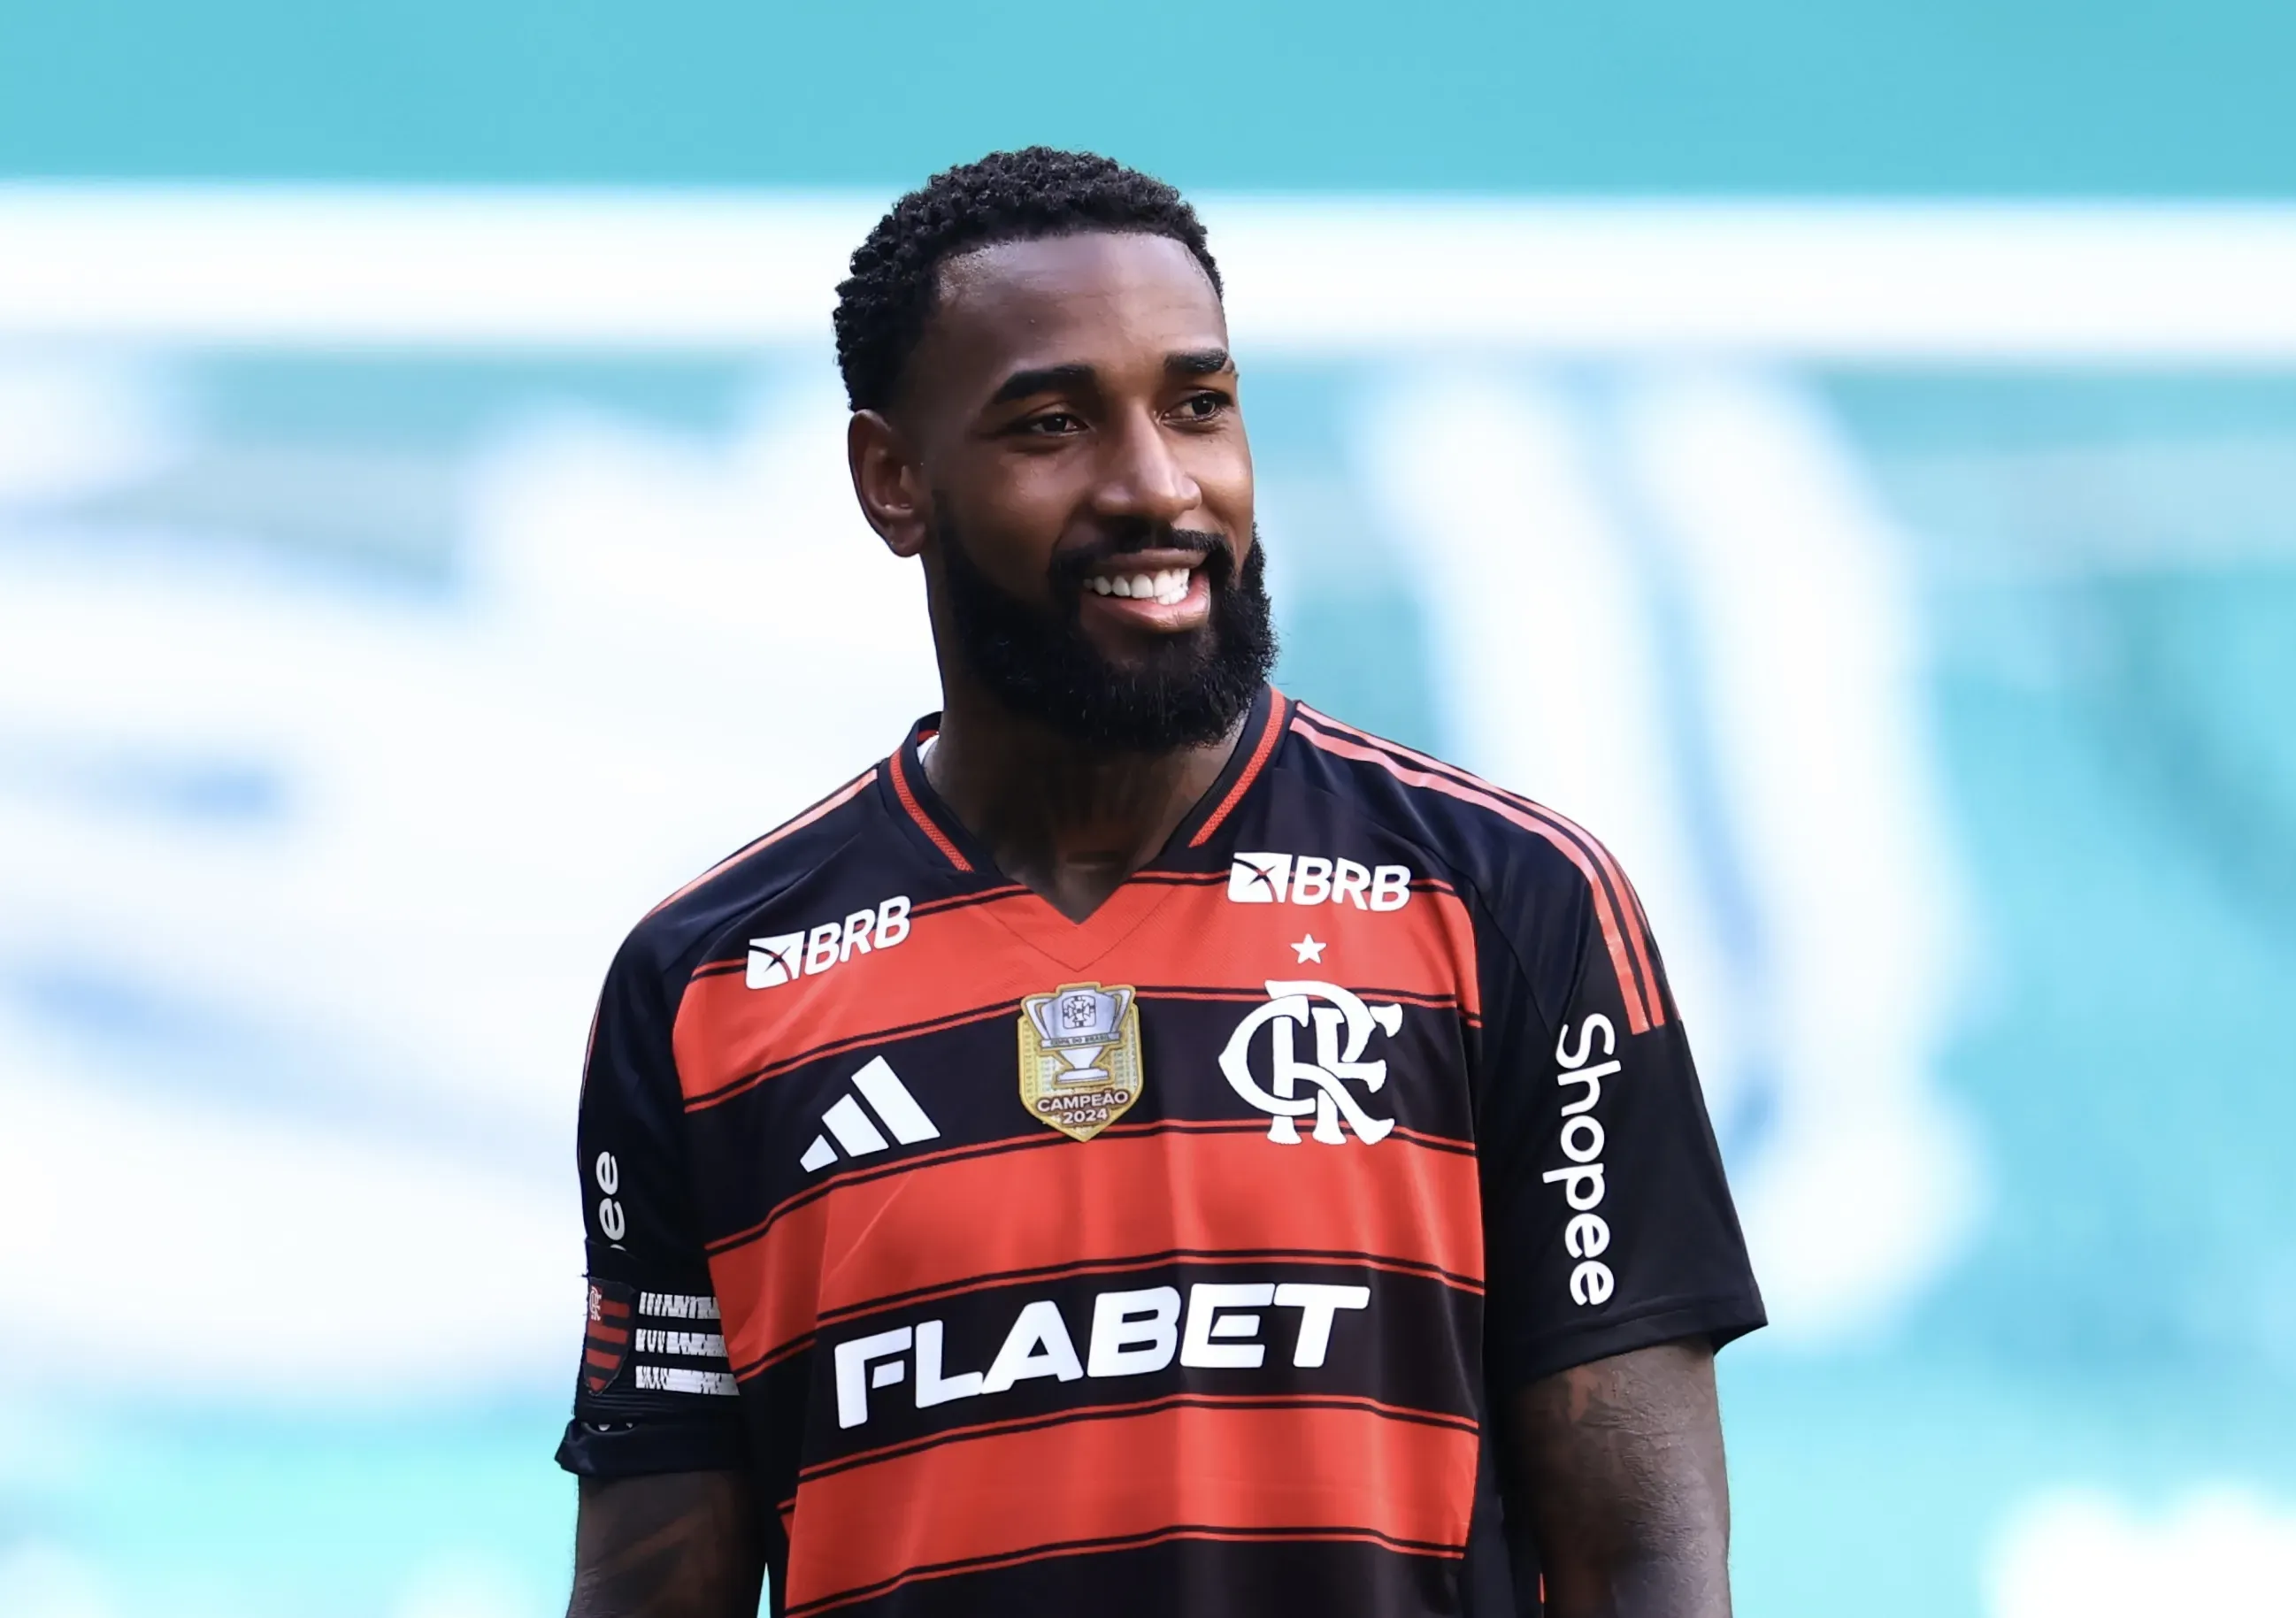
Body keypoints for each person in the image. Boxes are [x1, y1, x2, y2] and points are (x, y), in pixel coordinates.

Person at [557, 147, 1763, 1618]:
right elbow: (648, 1582)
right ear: (893, 482)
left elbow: (1642, 1561)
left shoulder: (1509, 906)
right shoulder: (708, 985)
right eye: (1052, 424)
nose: (1156, 486)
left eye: (1198, 405)